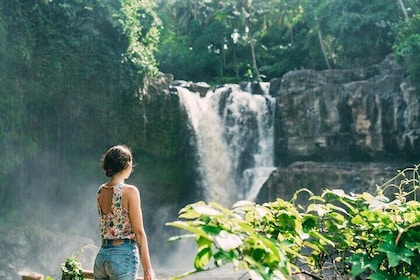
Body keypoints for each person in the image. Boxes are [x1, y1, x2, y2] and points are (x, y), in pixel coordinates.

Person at [93, 145, 156, 280]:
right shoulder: (130, 192)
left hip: (102, 257)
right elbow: (139, 232)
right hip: (122, 256)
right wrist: (148, 269)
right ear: (127, 164)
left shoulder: (101, 191)